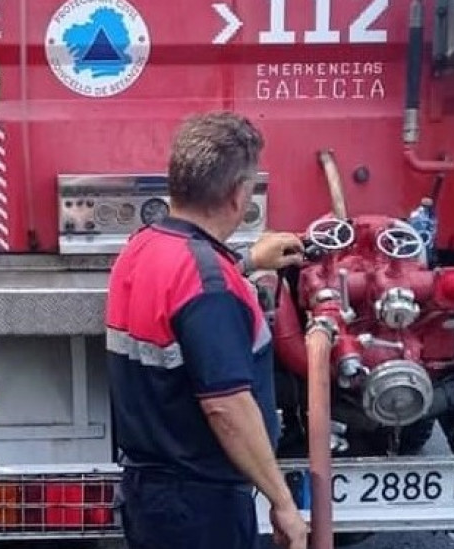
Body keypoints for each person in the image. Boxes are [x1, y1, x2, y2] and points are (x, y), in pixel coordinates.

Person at [105, 111, 308, 549]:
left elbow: (184, 296)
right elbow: (227, 409)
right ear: (238, 195)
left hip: (149, 494)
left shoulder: (142, 248)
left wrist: (249, 261)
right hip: (199, 508)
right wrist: (282, 501)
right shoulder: (209, 286)